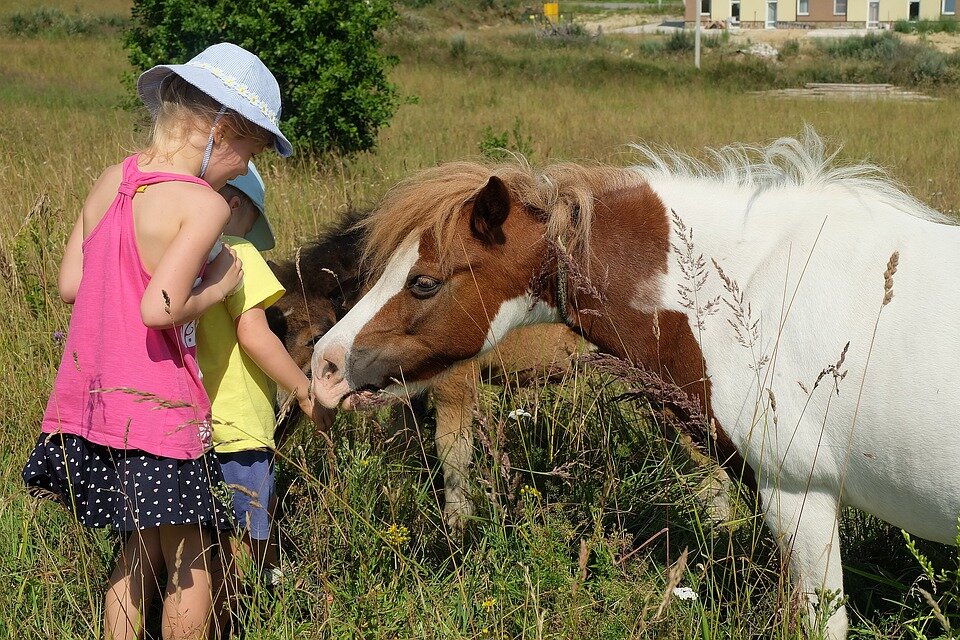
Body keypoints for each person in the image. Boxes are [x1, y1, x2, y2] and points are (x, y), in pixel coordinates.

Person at [22, 42, 293, 640]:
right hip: (161, 413)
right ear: (221, 130)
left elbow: (71, 284)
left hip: (96, 408)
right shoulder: (200, 204)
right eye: (247, 152)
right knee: (193, 559)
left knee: (135, 552)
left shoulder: (113, 179)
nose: (242, 169)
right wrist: (221, 283)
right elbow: (160, 307)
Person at [198, 162, 327, 630]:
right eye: (253, 221)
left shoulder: (179, 257)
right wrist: (304, 391)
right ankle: (231, 623)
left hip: (186, 427)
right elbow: (254, 334)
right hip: (240, 423)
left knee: (196, 542)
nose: (251, 232)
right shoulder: (238, 254)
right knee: (242, 538)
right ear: (234, 206)